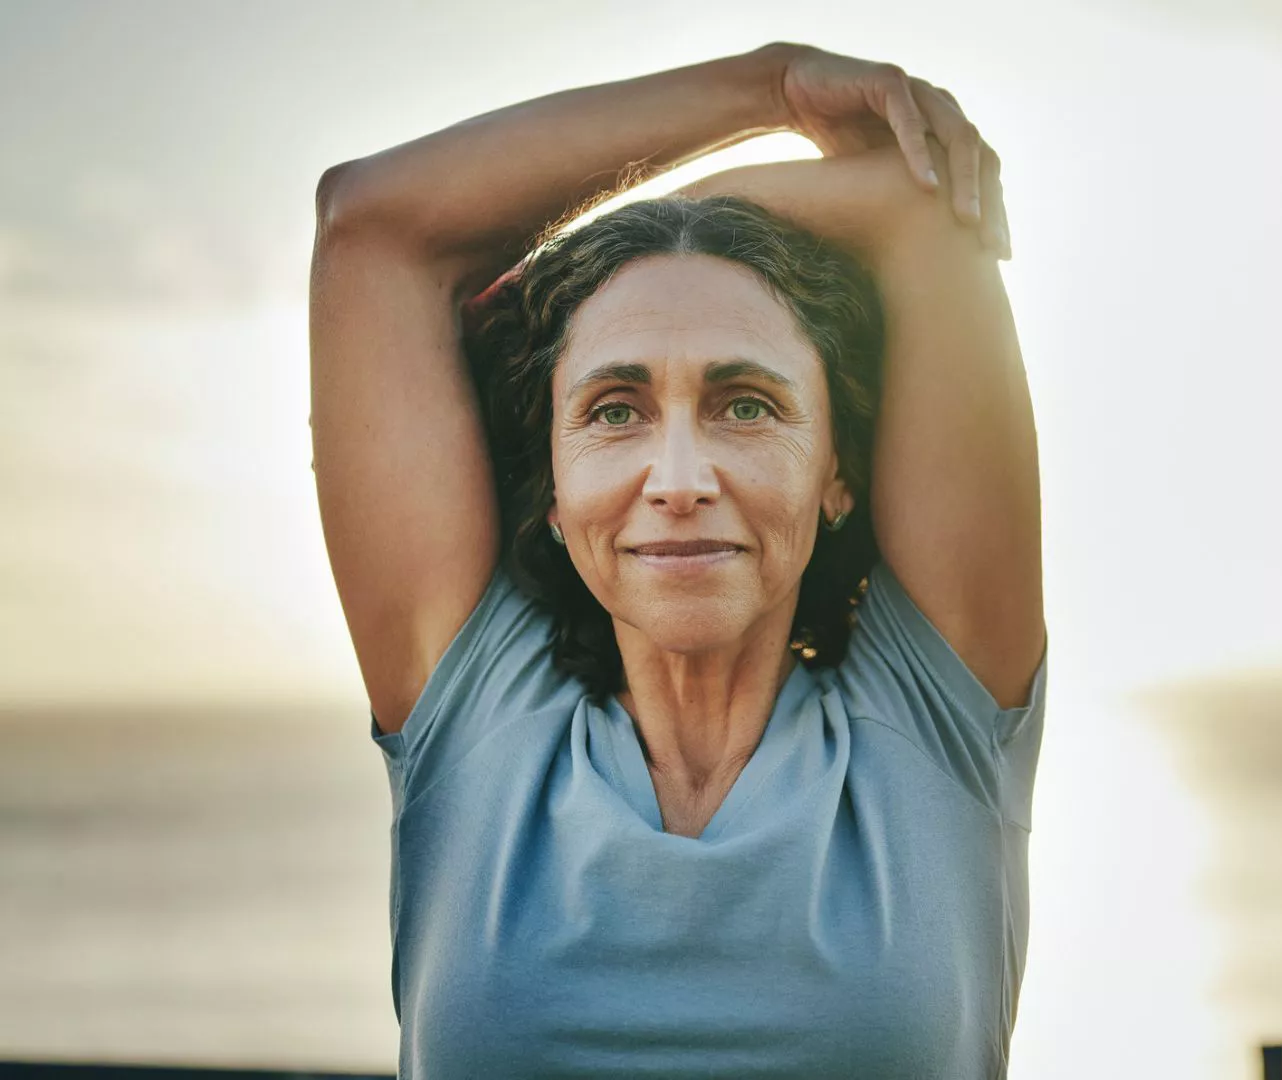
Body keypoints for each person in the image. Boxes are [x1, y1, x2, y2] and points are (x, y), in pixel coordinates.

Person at [308, 41, 1047, 1079]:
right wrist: (772, 85)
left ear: (838, 471)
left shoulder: (932, 724)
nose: (680, 476)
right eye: (616, 412)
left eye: (746, 404)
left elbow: (917, 210)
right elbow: (373, 223)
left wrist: (670, 227)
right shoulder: (477, 715)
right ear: (556, 489)